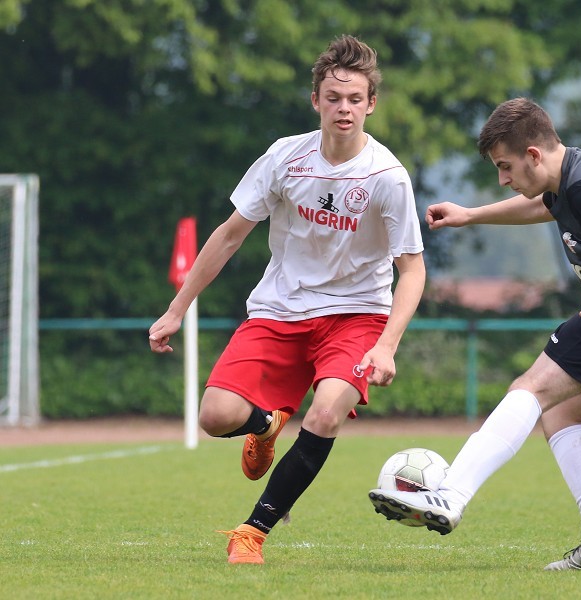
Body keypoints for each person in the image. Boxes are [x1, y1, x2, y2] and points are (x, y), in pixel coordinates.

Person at [367, 97, 581, 570]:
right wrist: (472, 214)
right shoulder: (576, 173)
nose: (503, 178)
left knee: (530, 387)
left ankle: (450, 495)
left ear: (534, 154)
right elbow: (544, 206)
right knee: (564, 415)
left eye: (505, 166)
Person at [148, 35, 426, 564]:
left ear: (371, 104)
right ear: (316, 101)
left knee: (325, 413)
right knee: (215, 415)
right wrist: (177, 308)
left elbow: (411, 270)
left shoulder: (388, 178)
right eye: (333, 97)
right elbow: (230, 233)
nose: (343, 108)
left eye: (354, 99)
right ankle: (265, 424)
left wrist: (388, 345)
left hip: (357, 316)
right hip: (280, 310)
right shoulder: (284, 157)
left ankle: (252, 531)